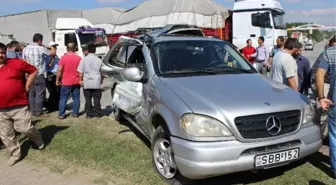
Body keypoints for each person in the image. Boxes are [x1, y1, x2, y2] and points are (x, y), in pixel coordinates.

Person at [0, 42, 44, 166]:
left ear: (5, 52)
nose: (0, 55)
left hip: (18, 105)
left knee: (24, 128)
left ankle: (37, 137)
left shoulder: (15, 63)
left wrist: (27, 85)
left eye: (2, 52)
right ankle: (15, 154)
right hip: (1, 110)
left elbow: (33, 70)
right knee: (6, 135)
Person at [315, 41, 336, 178]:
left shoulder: (330, 52)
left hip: (334, 102)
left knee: (334, 139)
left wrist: (321, 97)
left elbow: (319, 74)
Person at [23, 33, 56, 116]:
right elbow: (52, 54)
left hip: (29, 74)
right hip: (39, 73)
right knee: (39, 93)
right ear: (40, 40)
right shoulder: (40, 48)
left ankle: (32, 111)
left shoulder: (25, 49)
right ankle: (38, 111)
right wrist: (52, 47)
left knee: (31, 94)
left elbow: (23, 61)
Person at [56, 43, 82, 119]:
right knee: (76, 98)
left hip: (66, 82)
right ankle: (75, 113)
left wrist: (57, 80)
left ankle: (61, 114)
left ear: (67, 49)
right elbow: (81, 71)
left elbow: (59, 70)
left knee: (63, 98)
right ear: (74, 49)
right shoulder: (79, 58)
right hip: (76, 81)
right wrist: (81, 79)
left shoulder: (63, 58)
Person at [77, 44, 104, 118]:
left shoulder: (84, 60)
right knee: (97, 99)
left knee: (88, 99)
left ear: (88, 50)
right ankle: (98, 113)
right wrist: (101, 80)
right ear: (95, 50)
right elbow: (102, 72)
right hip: (96, 82)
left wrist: (80, 80)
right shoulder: (99, 60)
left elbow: (80, 72)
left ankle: (89, 114)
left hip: (87, 82)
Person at [45, 41, 60, 112]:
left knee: (57, 91)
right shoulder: (48, 56)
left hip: (56, 74)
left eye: (55, 47)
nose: (55, 48)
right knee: (53, 91)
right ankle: (51, 106)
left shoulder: (55, 55)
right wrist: (52, 58)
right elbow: (49, 65)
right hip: (51, 75)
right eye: (54, 47)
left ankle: (55, 105)